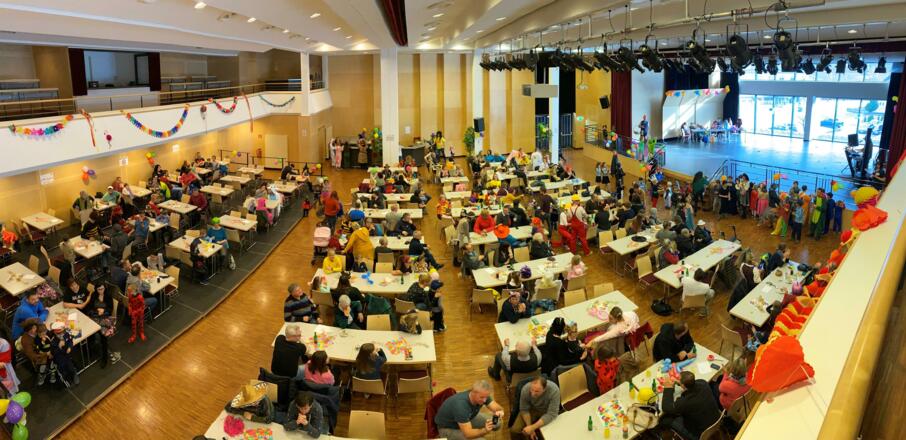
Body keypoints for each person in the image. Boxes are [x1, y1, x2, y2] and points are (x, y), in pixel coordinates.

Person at [435, 380, 505, 440]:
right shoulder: (461, 406)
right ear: (473, 393)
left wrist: (500, 411)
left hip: (467, 418)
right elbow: (468, 434)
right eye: (481, 397)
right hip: (447, 428)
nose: (484, 400)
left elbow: (497, 408)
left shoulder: (483, 394)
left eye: (486, 397)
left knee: (497, 424)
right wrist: (484, 430)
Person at [661, 371, 722, 440]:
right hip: (716, 420)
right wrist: (679, 382)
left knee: (665, 420)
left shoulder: (684, 402)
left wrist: (668, 388)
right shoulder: (703, 383)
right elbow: (691, 383)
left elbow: (666, 407)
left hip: (699, 433)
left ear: (683, 385)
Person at [20, 319, 55, 386]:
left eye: (35, 326)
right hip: (39, 356)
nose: (36, 328)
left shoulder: (37, 330)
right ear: (29, 330)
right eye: (34, 327)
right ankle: (42, 375)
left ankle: (53, 372)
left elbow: (47, 332)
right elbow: (33, 356)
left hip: (47, 350)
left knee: (54, 360)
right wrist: (46, 354)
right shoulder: (26, 341)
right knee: (43, 367)